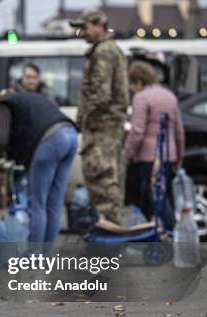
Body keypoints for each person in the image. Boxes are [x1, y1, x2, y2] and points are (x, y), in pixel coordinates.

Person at [0, 91, 78, 243]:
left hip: (50, 140)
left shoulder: (2, 105)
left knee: (37, 203)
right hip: (70, 135)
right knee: (54, 202)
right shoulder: (22, 103)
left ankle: (34, 256)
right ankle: (45, 256)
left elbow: (0, 141)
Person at [70, 9, 130, 225]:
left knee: (102, 180)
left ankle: (111, 238)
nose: (81, 33)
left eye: (84, 27)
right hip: (109, 128)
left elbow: (100, 93)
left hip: (101, 128)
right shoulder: (110, 49)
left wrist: (82, 119)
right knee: (110, 181)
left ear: (99, 24)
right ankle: (112, 234)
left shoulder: (103, 51)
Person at [124, 61, 184, 226]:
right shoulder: (169, 95)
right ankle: (146, 233)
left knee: (157, 196)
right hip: (169, 155)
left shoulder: (141, 97)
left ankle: (174, 232)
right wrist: (179, 157)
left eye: (131, 84)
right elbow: (179, 131)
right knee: (149, 195)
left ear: (138, 82)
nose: (130, 89)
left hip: (149, 157)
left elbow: (137, 132)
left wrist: (126, 156)